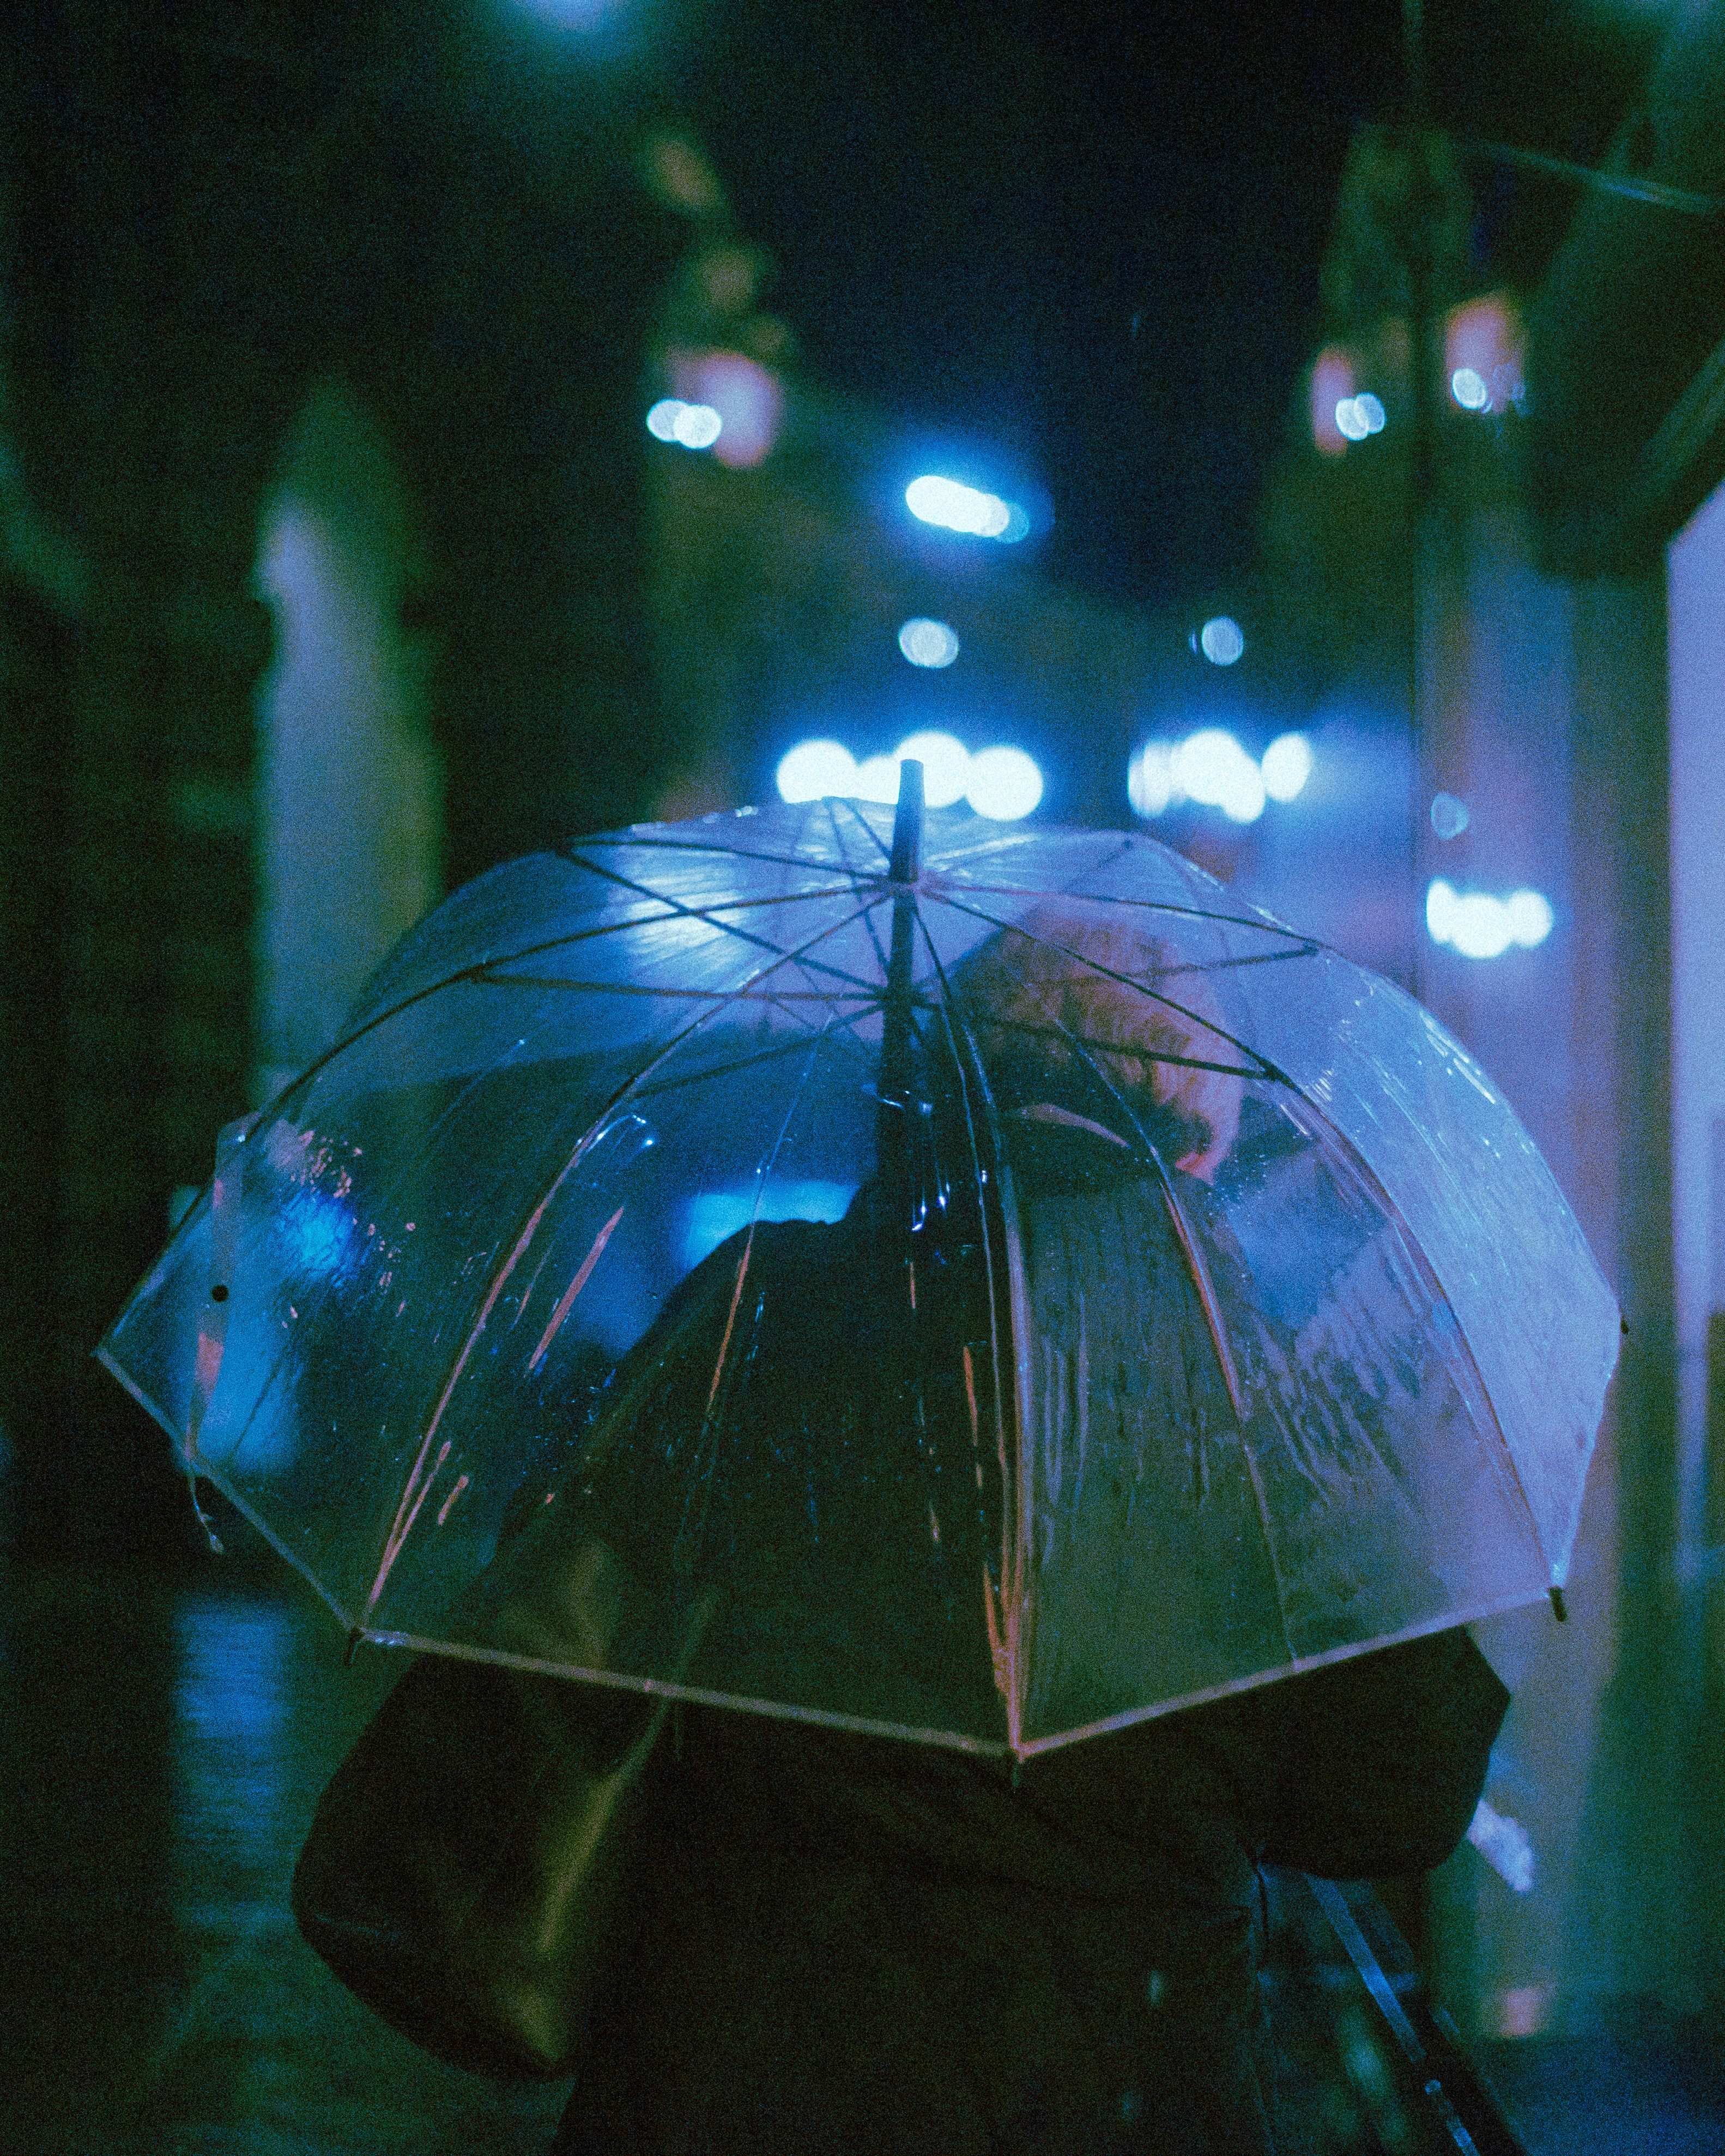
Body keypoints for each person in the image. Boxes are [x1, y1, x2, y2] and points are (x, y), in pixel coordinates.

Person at [294, 909, 1510, 2153]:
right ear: (1199, 1144)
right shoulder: (1267, 1403)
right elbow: (1391, 1802)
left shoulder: (766, 1315)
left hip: (732, 2072)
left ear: (939, 1086)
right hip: (1121, 2089)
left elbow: (572, 1616)